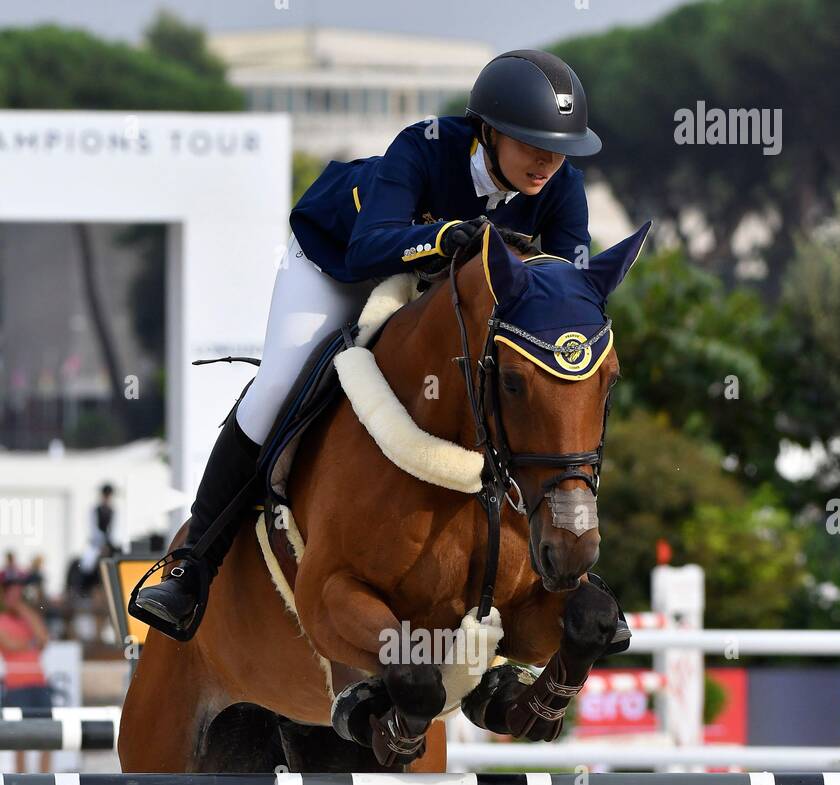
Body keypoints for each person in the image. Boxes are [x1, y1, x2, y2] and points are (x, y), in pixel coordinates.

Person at [134, 48, 602, 638]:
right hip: (338, 264)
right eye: (533, 143)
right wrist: (446, 235)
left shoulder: (563, 187)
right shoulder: (423, 146)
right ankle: (192, 566)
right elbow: (367, 250)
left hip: (438, 293)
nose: (547, 161)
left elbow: (563, 289)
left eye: (559, 148)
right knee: (280, 382)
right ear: (489, 131)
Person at [0, 577, 53, 772]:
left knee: (50, 737)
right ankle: (22, 783)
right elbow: (11, 645)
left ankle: (46, 780)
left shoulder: (27, 618)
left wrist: (23, 608)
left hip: (39, 684)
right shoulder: (2, 620)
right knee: (20, 740)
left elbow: (43, 638)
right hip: (17, 687)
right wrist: (32, 642)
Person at [79, 484, 119, 594]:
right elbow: (93, 528)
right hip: (96, 543)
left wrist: (109, 543)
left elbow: (115, 528)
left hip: (109, 542)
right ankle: (84, 590)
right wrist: (101, 543)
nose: (107, 498)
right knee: (87, 564)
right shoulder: (94, 510)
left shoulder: (113, 511)